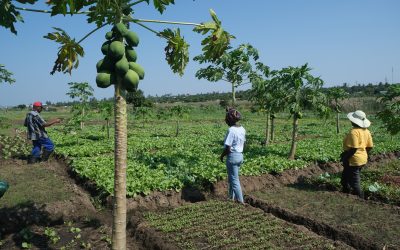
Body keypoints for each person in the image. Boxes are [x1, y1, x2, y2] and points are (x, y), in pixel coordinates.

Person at [340, 110, 373, 198]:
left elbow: (354, 148)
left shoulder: (354, 132)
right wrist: (363, 154)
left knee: (354, 182)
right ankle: (345, 191)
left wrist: (345, 158)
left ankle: (361, 197)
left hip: (353, 159)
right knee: (345, 177)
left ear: (353, 121)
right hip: (362, 158)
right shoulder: (366, 131)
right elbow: (369, 147)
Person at [220, 108, 246, 204]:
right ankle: (231, 197)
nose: (226, 120)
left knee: (234, 180)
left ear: (230, 119)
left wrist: (222, 156)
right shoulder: (242, 129)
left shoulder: (231, 130)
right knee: (232, 177)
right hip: (240, 156)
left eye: (227, 118)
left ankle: (241, 202)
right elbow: (244, 143)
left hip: (232, 157)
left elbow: (228, 147)